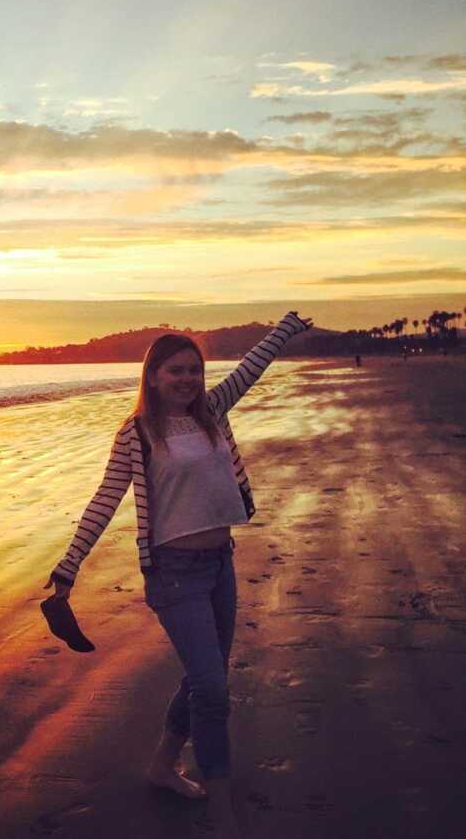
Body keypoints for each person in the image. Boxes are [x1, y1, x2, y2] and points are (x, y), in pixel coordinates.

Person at [44, 311, 312, 839]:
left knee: (201, 677)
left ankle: (163, 767)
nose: (188, 379)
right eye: (176, 371)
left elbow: (251, 369)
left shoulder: (212, 411)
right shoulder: (137, 434)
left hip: (219, 566)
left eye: (194, 369)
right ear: (153, 376)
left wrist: (283, 330)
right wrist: (67, 567)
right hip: (173, 573)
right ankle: (221, 808)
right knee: (213, 690)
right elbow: (105, 499)